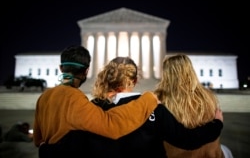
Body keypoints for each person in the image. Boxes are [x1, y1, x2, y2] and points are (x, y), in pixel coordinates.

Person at [60, 56, 223, 158]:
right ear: (135, 80)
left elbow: (73, 145)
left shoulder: (91, 107)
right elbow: (187, 140)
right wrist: (216, 124)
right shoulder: (152, 107)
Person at [33, 45, 159, 157]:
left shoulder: (44, 97)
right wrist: (147, 99)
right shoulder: (74, 99)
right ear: (86, 71)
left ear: (61, 68)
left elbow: (38, 139)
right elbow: (111, 125)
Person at [154, 54, 234, 158]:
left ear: (166, 73)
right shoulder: (208, 97)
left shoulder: (157, 99)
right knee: (226, 151)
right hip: (208, 155)